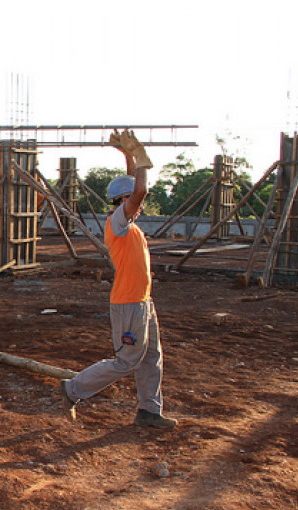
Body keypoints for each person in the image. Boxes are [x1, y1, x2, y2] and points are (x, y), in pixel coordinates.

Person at [59, 130, 177, 428]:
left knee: (151, 357)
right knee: (127, 361)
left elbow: (133, 190)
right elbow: (140, 191)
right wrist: (141, 161)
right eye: (132, 200)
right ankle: (73, 389)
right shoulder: (118, 223)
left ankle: (149, 411)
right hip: (128, 304)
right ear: (123, 200)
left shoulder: (129, 224)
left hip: (143, 302)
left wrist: (128, 157)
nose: (140, 204)